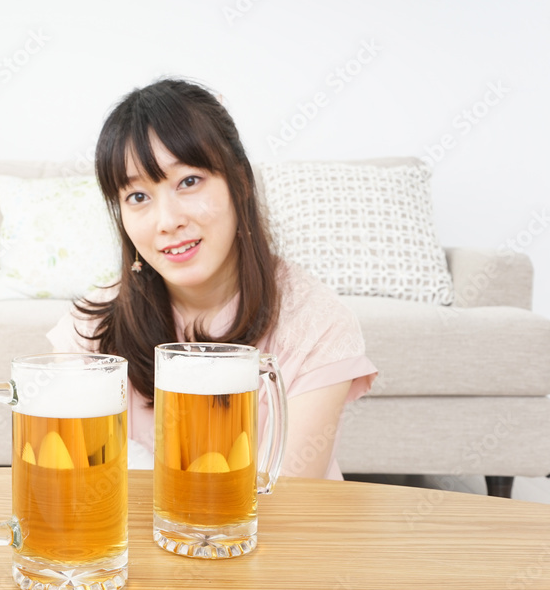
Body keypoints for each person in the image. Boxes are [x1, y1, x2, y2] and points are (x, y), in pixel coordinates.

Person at [46, 78, 377, 480]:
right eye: (137, 197)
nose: (168, 222)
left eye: (188, 181)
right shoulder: (90, 330)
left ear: (238, 181)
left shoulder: (318, 325)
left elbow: (288, 498)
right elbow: (78, 480)